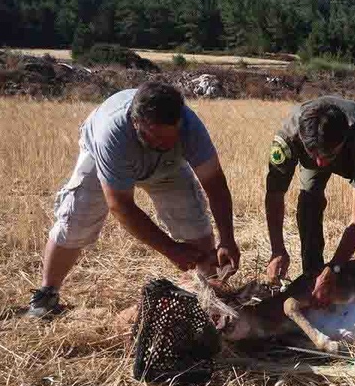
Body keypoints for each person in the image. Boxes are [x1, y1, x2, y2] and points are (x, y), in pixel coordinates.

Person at [27, 82, 240, 317]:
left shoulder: (190, 126)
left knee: (195, 226)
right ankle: (47, 294)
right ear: (136, 123)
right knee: (76, 219)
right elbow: (120, 205)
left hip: (168, 165)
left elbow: (215, 184)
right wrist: (171, 249)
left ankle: (209, 297)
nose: (163, 144)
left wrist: (227, 239)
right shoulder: (111, 134)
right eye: (156, 137)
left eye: (171, 137)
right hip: (105, 158)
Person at [265, 96, 355, 305]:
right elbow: (274, 194)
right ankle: (313, 274)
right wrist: (277, 249)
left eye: (328, 156)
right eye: (314, 154)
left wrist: (335, 267)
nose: (321, 163)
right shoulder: (288, 137)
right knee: (308, 201)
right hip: (319, 146)